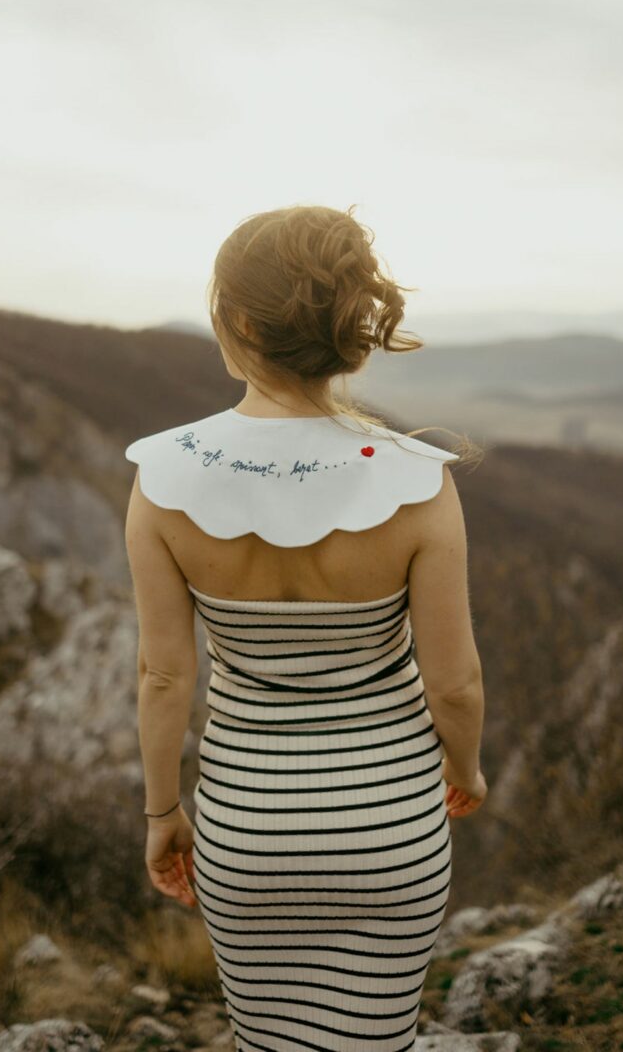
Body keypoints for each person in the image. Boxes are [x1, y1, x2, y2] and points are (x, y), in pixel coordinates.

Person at [124, 203, 487, 1052]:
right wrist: (463, 768)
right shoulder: (416, 481)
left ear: (241, 322)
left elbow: (165, 678)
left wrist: (162, 812)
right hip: (389, 826)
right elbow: (455, 684)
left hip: (247, 830)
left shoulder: (163, 476)